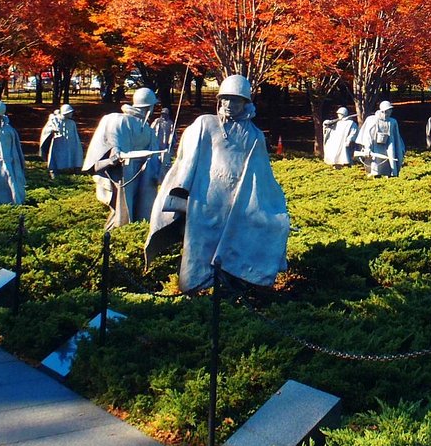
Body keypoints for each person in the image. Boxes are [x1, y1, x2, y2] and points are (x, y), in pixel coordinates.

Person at [145, 74, 289, 291]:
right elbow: (187, 160)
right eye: (226, 99)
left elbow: (262, 175)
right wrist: (180, 193)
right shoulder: (205, 124)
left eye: (237, 100)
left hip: (237, 203)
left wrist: (273, 209)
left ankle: (233, 287)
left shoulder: (255, 136)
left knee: (236, 244)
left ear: (246, 103)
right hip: (204, 199)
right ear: (219, 100)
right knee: (199, 249)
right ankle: (195, 289)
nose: (230, 104)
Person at [84, 87, 159, 229]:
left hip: (142, 173)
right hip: (123, 172)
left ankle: (135, 232)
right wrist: (116, 154)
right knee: (121, 210)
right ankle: (112, 236)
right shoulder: (119, 120)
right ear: (149, 106)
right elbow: (115, 143)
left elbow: (154, 150)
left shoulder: (147, 128)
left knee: (140, 208)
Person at [355, 100, 405, 177]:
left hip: (389, 145)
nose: (390, 112)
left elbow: (396, 137)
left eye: (390, 110)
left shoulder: (392, 122)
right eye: (388, 110)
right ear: (383, 111)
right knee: (375, 161)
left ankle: (391, 173)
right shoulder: (372, 120)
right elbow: (367, 135)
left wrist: (400, 148)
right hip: (375, 145)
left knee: (391, 158)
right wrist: (367, 147)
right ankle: (375, 174)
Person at [39, 103, 84, 177]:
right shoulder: (54, 120)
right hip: (58, 143)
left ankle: (73, 168)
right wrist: (52, 130)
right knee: (56, 157)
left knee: (73, 154)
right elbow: (46, 130)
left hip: (70, 143)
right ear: (65, 113)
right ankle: (54, 171)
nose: (71, 114)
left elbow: (74, 135)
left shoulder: (72, 123)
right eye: (70, 113)